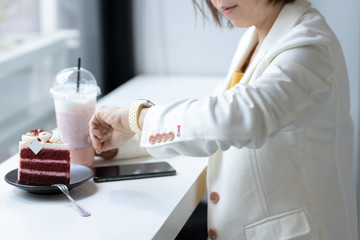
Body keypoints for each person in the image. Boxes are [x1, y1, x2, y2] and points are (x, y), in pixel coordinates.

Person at [89, 0, 358, 239]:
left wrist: (137, 118)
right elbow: (211, 119)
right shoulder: (257, 34)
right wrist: (121, 142)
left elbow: (239, 117)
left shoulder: (310, 47)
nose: (216, 1)